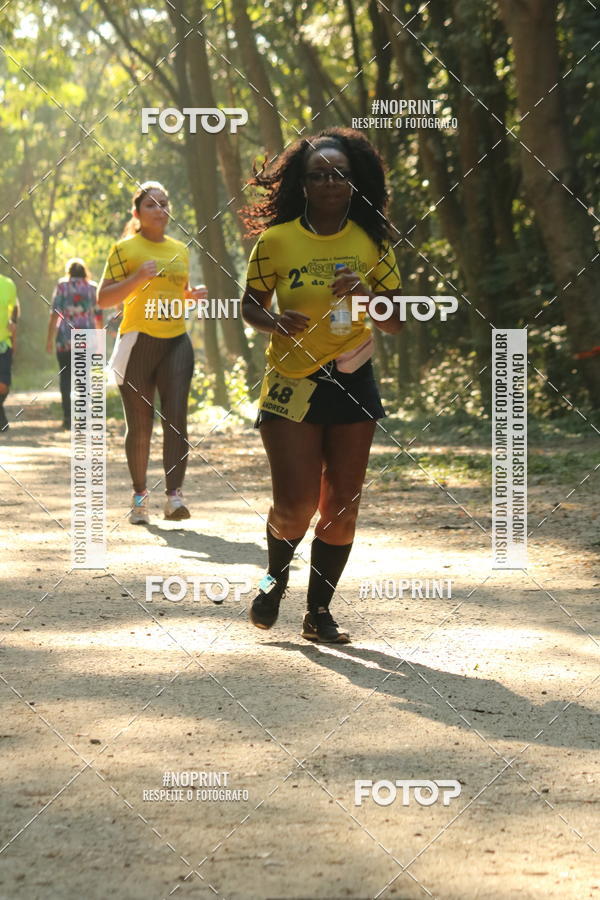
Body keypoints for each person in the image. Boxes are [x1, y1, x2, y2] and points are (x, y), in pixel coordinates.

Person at [241, 127, 404, 644]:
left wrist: (367, 296)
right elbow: (249, 306)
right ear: (303, 184)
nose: (331, 182)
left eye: (341, 175)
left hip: (353, 376)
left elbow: (396, 319)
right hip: (292, 378)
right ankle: (273, 579)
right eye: (320, 175)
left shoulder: (372, 241)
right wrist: (273, 322)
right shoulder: (276, 241)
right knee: (295, 504)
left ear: (355, 184)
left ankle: (319, 611)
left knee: (342, 505)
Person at [97, 181, 206, 525]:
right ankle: (140, 495)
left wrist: (191, 297)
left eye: (164, 203)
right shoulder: (124, 249)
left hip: (176, 340)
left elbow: (177, 291)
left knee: (176, 420)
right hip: (138, 340)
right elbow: (103, 298)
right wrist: (137, 279)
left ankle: (174, 497)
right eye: (151, 205)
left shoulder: (180, 249)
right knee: (140, 426)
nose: (160, 210)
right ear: (137, 213)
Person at [46, 258, 102, 430]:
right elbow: (98, 315)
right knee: (84, 379)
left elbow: (54, 314)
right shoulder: (92, 287)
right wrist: (99, 339)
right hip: (87, 339)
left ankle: (68, 418)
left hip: (64, 339)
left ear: (69, 272)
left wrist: (49, 339)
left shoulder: (62, 286)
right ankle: (83, 418)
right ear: (85, 272)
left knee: (65, 378)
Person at [0, 272, 19, 434]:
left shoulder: (8, 284)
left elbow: (14, 311)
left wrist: (14, 338)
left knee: (4, 384)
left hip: (3, 343)